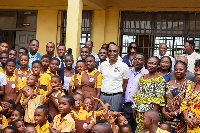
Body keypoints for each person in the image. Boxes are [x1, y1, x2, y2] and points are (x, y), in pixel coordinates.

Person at [132, 56, 166, 133]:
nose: (150, 66)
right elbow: (138, 93)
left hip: (151, 112)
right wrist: (134, 107)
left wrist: (151, 114)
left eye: (153, 64)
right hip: (140, 111)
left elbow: (159, 98)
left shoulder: (160, 79)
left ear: (158, 66)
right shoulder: (142, 77)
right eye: (149, 63)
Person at [162, 61, 190, 133]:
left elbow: (189, 103)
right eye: (176, 69)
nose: (178, 71)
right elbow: (162, 100)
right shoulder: (167, 84)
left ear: (186, 71)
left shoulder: (190, 85)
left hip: (181, 119)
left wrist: (176, 113)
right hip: (167, 118)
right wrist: (164, 112)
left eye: (181, 70)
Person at [100, 42, 129, 111]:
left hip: (116, 96)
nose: (112, 53)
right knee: (101, 118)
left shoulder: (124, 66)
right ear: (107, 53)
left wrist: (118, 96)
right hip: (103, 96)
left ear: (118, 53)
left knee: (113, 118)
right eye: (110, 51)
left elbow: (124, 84)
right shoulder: (103, 64)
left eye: (114, 51)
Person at [123, 53, 148, 132]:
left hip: (138, 105)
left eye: (140, 59)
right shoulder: (129, 71)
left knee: (136, 127)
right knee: (126, 127)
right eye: (135, 59)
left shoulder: (146, 74)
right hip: (127, 104)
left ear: (144, 62)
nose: (137, 61)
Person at [181, 59, 200, 132]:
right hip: (190, 126)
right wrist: (186, 119)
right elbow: (184, 104)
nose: (198, 73)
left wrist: (198, 120)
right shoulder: (190, 86)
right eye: (196, 70)